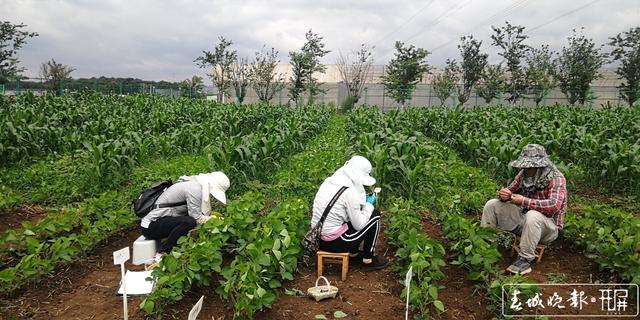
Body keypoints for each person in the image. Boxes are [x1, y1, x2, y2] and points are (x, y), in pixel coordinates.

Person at [481, 144, 567, 275]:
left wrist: (524, 201)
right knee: (492, 204)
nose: (525, 168)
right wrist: (504, 194)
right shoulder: (524, 174)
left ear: (539, 165)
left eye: (529, 166)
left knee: (533, 215)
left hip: (548, 228)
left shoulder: (556, 178)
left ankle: (524, 259)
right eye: (524, 166)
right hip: (525, 220)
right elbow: (511, 189)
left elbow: (554, 205)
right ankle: (487, 246)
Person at [311, 155, 389, 270]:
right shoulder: (349, 192)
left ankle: (354, 253)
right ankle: (368, 259)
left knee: (352, 217)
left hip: (317, 238)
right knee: (375, 215)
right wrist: (368, 206)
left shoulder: (329, 181)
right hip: (335, 243)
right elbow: (359, 225)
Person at [140, 171, 230, 258]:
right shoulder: (194, 188)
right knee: (189, 222)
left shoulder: (194, 183)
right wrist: (217, 220)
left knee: (189, 221)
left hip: (158, 222)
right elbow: (197, 218)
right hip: (150, 226)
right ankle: (163, 253)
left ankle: (178, 248)